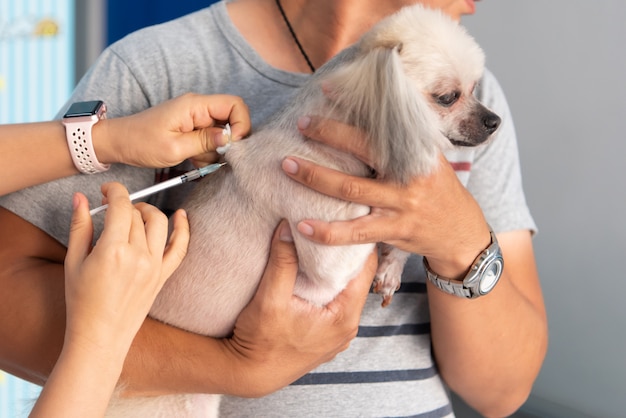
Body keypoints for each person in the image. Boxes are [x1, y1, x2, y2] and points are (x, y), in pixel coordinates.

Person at [0, 0, 548, 417]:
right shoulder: (156, 65)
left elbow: (501, 391)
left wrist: (460, 241)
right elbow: (8, 304)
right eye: (449, 97)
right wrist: (234, 367)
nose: (476, 3)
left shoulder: (472, 99)